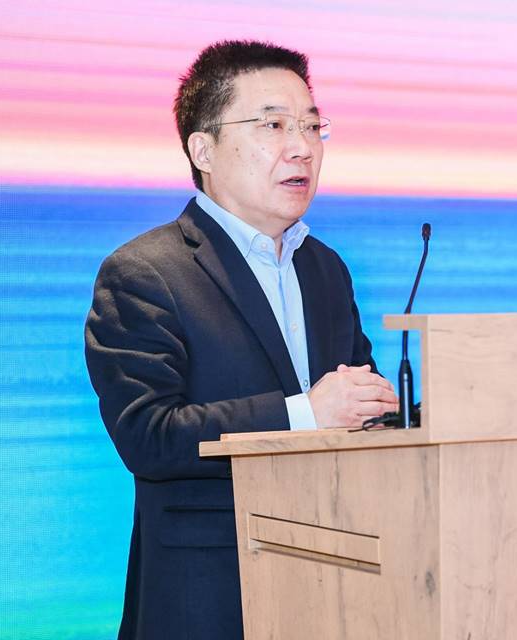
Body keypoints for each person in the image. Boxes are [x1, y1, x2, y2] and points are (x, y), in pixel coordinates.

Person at [84, 40, 397, 640]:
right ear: (203, 149)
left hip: (336, 587)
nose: (302, 146)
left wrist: (391, 412)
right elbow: (149, 437)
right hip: (209, 600)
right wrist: (306, 414)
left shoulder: (325, 268)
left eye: (311, 126)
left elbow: (357, 401)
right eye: (273, 125)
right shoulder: (145, 273)